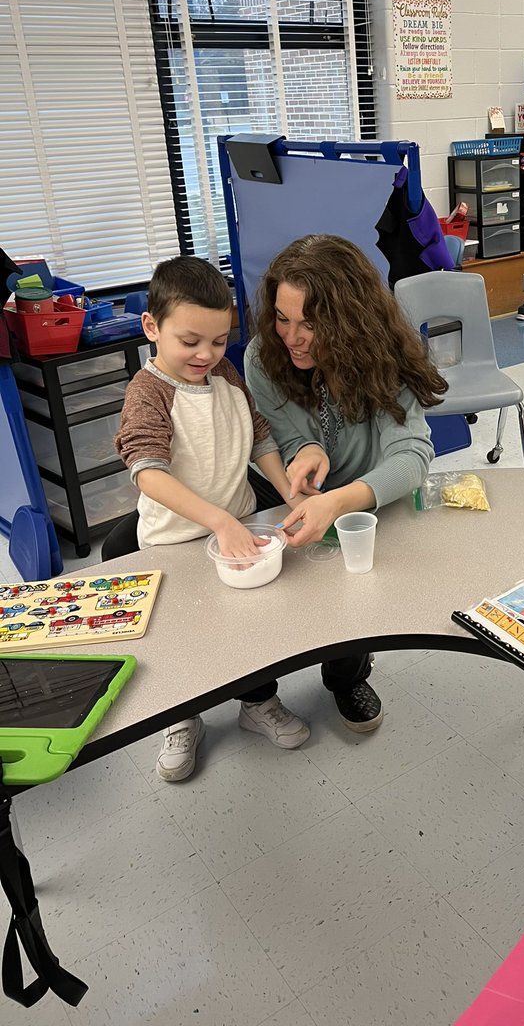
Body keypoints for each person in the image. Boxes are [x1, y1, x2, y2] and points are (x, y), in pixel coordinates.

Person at [114, 256, 310, 783]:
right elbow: (148, 472)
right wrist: (218, 520)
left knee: (248, 631)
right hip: (173, 542)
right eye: (190, 341)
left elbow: (260, 435)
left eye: (220, 341)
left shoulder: (224, 374)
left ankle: (257, 703)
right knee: (183, 639)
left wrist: (289, 490)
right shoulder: (148, 392)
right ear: (152, 328)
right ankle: (180, 717)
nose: (207, 354)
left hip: (240, 529)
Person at [243, 234, 449, 730]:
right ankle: (256, 690)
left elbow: (413, 455)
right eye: (283, 318)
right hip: (289, 489)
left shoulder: (383, 359)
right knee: (270, 574)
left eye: (311, 324)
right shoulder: (263, 358)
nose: (292, 337)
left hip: (361, 489)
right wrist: (305, 451)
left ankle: (347, 675)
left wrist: (339, 500)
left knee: (355, 581)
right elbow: (285, 438)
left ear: (348, 321)